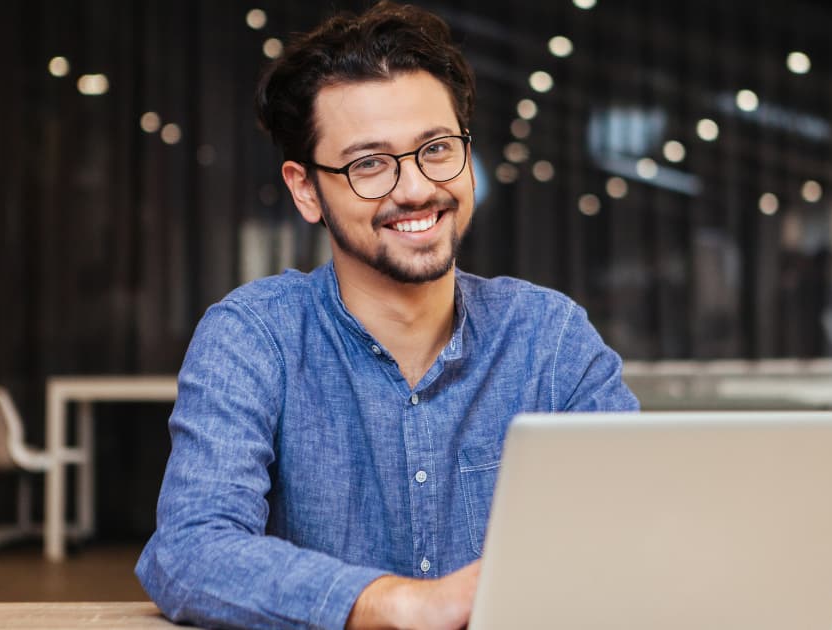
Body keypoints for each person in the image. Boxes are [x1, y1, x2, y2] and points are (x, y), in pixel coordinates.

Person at [135, 2, 638, 628]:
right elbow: (189, 552)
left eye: (436, 148)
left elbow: (638, 533)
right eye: (370, 163)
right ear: (305, 189)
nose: (416, 188)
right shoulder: (255, 336)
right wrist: (402, 604)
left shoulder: (549, 337)